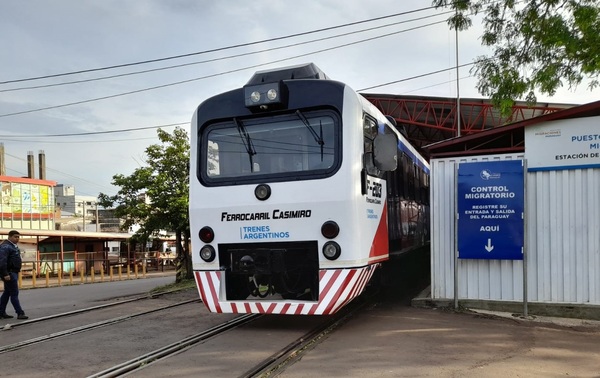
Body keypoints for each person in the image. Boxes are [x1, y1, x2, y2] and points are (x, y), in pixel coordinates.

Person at [0, 230, 28, 320]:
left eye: (18, 237)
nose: (17, 239)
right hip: (9, 273)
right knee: (14, 293)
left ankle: (1, 312)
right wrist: (5, 274)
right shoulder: (5, 246)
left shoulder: (12, 246)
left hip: (13, 272)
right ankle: (20, 313)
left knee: (7, 293)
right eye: (15, 237)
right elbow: (2, 261)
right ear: (10, 236)